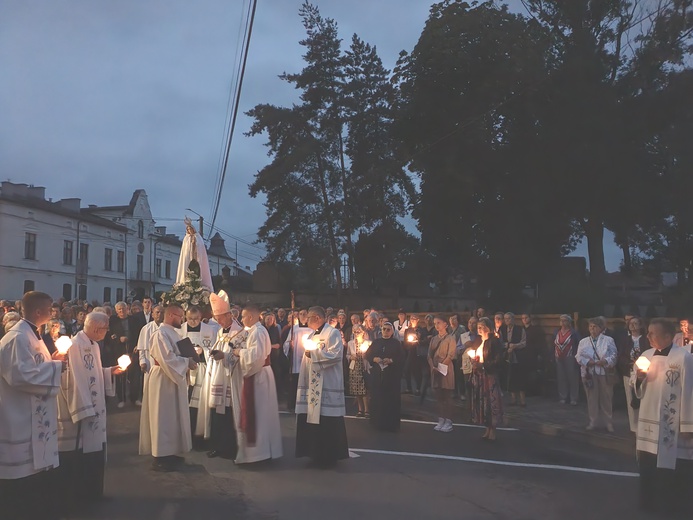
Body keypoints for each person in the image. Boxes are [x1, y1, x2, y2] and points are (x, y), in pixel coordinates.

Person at [0, 291, 67, 520]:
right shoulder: (17, 337)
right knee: (20, 480)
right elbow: (21, 375)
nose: (52, 312)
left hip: (33, 416)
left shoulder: (33, 335)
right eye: (49, 309)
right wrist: (56, 367)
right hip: (18, 415)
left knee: (34, 476)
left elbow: (36, 366)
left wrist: (53, 361)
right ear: (38, 311)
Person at [55, 312, 124, 516]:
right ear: (96, 329)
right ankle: (81, 495)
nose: (107, 332)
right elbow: (73, 379)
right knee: (82, 454)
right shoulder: (76, 345)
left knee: (95, 451)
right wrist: (83, 409)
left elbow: (93, 372)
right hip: (85, 409)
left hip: (95, 408)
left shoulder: (93, 344)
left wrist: (109, 371)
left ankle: (94, 492)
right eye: (105, 329)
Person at [631, 318, 693, 516]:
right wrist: (638, 380)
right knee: (649, 466)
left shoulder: (683, 358)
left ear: (668, 336)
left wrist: (688, 426)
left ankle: (671, 508)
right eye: (647, 332)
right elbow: (636, 388)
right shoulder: (646, 355)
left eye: (652, 333)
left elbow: (690, 393)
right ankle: (648, 504)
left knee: (670, 471)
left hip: (671, 427)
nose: (647, 336)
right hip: (648, 423)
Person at [218, 304, 283, 464]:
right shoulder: (253, 331)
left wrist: (238, 352)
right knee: (260, 414)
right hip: (258, 375)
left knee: (257, 414)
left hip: (258, 376)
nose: (240, 319)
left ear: (252, 318)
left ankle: (257, 455)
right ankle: (258, 453)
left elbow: (256, 357)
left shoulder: (258, 332)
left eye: (243, 316)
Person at [139, 305, 197, 472]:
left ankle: (170, 452)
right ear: (171, 315)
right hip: (162, 378)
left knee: (172, 417)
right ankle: (160, 456)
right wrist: (187, 362)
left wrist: (189, 359)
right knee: (162, 416)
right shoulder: (160, 334)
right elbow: (167, 358)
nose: (183, 319)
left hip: (172, 378)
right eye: (180, 316)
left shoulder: (172, 332)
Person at [295, 306, 349, 468]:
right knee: (312, 418)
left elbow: (335, 355)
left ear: (317, 318)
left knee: (327, 420)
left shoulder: (332, 333)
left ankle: (328, 455)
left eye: (309, 317)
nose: (306, 320)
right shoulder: (312, 335)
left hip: (327, 383)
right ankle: (314, 453)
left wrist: (314, 355)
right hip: (312, 384)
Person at [204, 293, 243, 460]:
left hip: (231, 379)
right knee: (216, 413)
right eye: (216, 318)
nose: (218, 321)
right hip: (218, 377)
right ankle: (217, 446)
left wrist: (225, 357)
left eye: (220, 318)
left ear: (229, 315)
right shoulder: (220, 332)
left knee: (229, 413)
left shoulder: (240, 334)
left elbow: (241, 356)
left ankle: (230, 448)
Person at [179, 306, 216, 443]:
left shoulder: (209, 330)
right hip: (185, 370)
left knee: (199, 404)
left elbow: (214, 349)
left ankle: (198, 434)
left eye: (196, 319)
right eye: (190, 319)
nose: (193, 322)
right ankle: (184, 434)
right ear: (185, 317)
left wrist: (204, 350)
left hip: (202, 369)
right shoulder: (180, 329)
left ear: (201, 318)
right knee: (184, 402)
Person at [576, 317, 618, 432]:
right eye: (590, 326)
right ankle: (593, 421)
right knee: (591, 398)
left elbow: (614, 355)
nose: (592, 329)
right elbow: (578, 357)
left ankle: (608, 422)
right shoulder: (583, 341)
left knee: (606, 397)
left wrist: (605, 361)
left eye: (595, 327)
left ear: (601, 328)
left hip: (604, 372)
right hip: (590, 372)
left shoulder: (608, 340)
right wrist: (587, 362)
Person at [365, 322, 404, 431]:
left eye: (388, 330)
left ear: (392, 331)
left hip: (391, 376)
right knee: (377, 398)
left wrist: (391, 360)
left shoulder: (396, 343)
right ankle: (376, 423)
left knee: (390, 400)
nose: (386, 332)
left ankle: (390, 425)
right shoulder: (376, 342)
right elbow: (368, 354)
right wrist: (374, 359)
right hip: (378, 374)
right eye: (384, 329)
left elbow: (401, 358)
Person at [471, 317, 505, 441]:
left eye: (482, 327)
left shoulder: (494, 341)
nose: (479, 329)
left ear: (488, 328)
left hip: (490, 375)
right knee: (483, 403)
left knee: (492, 402)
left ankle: (493, 429)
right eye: (478, 327)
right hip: (481, 375)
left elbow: (498, 360)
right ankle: (487, 427)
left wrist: (484, 365)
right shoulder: (479, 341)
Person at [616, 316, 651, 432]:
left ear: (641, 325)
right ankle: (634, 427)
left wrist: (640, 363)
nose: (633, 325)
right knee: (630, 398)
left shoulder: (646, 340)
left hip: (643, 373)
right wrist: (629, 363)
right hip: (629, 372)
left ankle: (644, 425)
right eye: (631, 323)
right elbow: (620, 356)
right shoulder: (625, 340)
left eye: (636, 323)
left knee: (643, 398)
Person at [428, 314, 457, 432]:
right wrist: (432, 366)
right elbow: (429, 355)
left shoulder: (450, 338)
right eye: (435, 323)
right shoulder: (434, 339)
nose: (436, 325)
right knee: (439, 395)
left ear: (445, 324)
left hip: (446, 368)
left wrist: (442, 366)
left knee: (447, 395)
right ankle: (441, 419)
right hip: (435, 368)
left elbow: (451, 354)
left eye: (438, 323)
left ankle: (448, 420)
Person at [499, 312, 527, 406]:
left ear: (513, 319)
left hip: (519, 355)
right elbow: (500, 342)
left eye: (509, 318)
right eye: (505, 319)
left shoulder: (520, 329)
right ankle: (513, 399)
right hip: (507, 355)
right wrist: (507, 346)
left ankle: (523, 400)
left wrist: (515, 346)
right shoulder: (502, 329)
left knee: (520, 377)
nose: (507, 320)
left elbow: (524, 342)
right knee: (510, 377)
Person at [553, 314, 581, 405]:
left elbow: (578, 344)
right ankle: (563, 397)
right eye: (561, 320)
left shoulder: (574, 332)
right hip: (558, 357)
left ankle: (573, 398)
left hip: (570, 357)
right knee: (561, 378)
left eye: (565, 320)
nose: (563, 322)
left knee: (572, 378)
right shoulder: (556, 331)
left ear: (569, 322)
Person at [347, 325, 370, 417]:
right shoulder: (350, 343)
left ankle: (367, 409)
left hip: (364, 367)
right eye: (355, 331)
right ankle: (360, 409)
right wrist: (351, 357)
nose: (357, 333)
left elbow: (371, 354)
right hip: (354, 367)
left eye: (359, 331)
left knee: (365, 389)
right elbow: (347, 354)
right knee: (357, 390)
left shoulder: (368, 343)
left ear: (363, 332)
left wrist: (366, 356)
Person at [460, 316, 481, 406]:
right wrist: (464, 347)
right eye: (469, 322)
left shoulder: (480, 336)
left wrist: (473, 345)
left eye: (473, 323)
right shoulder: (464, 336)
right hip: (466, 364)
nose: (471, 325)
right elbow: (457, 348)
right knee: (468, 384)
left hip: (478, 363)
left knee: (478, 386)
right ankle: (470, 405)